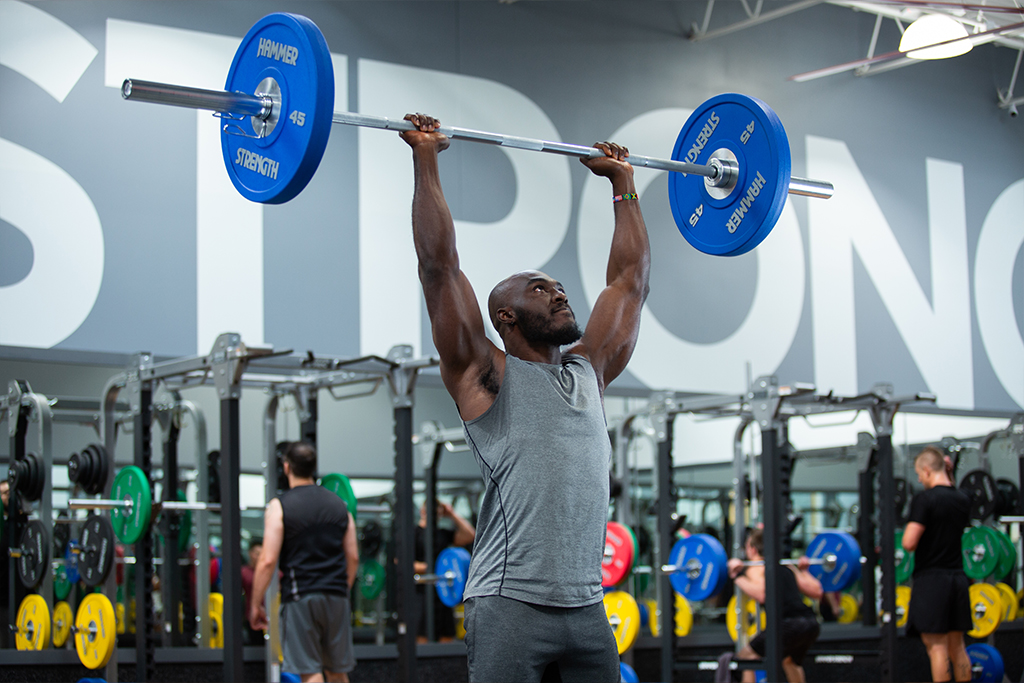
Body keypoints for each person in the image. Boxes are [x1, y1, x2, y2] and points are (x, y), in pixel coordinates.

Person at [400, 113, 650, 682]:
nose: (559, 292)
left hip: (589, 607)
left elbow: (629, 282)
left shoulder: (591, 370)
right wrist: (426, 156)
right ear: (506, 317)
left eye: (558, 286)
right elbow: (439, 269)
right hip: (510, 603)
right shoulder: (485, 374)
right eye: (541, 289)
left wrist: (623, 184)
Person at [248, 443, 360, 683]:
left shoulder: (280, 506)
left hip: (301, 596)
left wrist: (256, 603)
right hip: (336, 596)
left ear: (287, 467)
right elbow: (353, 556)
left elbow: (267, 560)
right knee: (337, 671)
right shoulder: (339, 505)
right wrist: (342, 589)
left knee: (309, 671)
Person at [902, 446, 972, 682]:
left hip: (933, 581)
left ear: (927, 470)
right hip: (958, 579)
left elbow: (909, 542)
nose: (920, 479)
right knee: (957, 646)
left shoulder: (925, 499)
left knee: (937, 647)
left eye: (919, 474)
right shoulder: (962, 499)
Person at [728, 528, 822, 683]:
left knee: (746, 657)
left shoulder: (757, 567)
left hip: (789, 623)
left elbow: (762, 594)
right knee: (789, 661)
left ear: (752, 549)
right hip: (810, 623)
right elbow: (817, 591)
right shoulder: (786, 566)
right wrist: (804, 571)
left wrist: (737, 576)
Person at [414, 499, 475, 643]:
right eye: (431, 510)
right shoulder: (414, 533)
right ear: (422, 511)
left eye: (438, 511)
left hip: (443, 593)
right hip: (421, 594)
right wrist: (431, 569)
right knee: (422, 641)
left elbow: (470, 535)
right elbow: (401, 562)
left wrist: (452, 514)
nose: (435, 513)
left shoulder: (442, 533)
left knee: (446, 638)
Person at [242, 537, 263, 645]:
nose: (259, 556)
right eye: (256, 553)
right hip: (250, 615)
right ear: (250, 553)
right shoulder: (244, 572)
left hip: (270, 616)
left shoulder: (271, 574)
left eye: (262, 553)